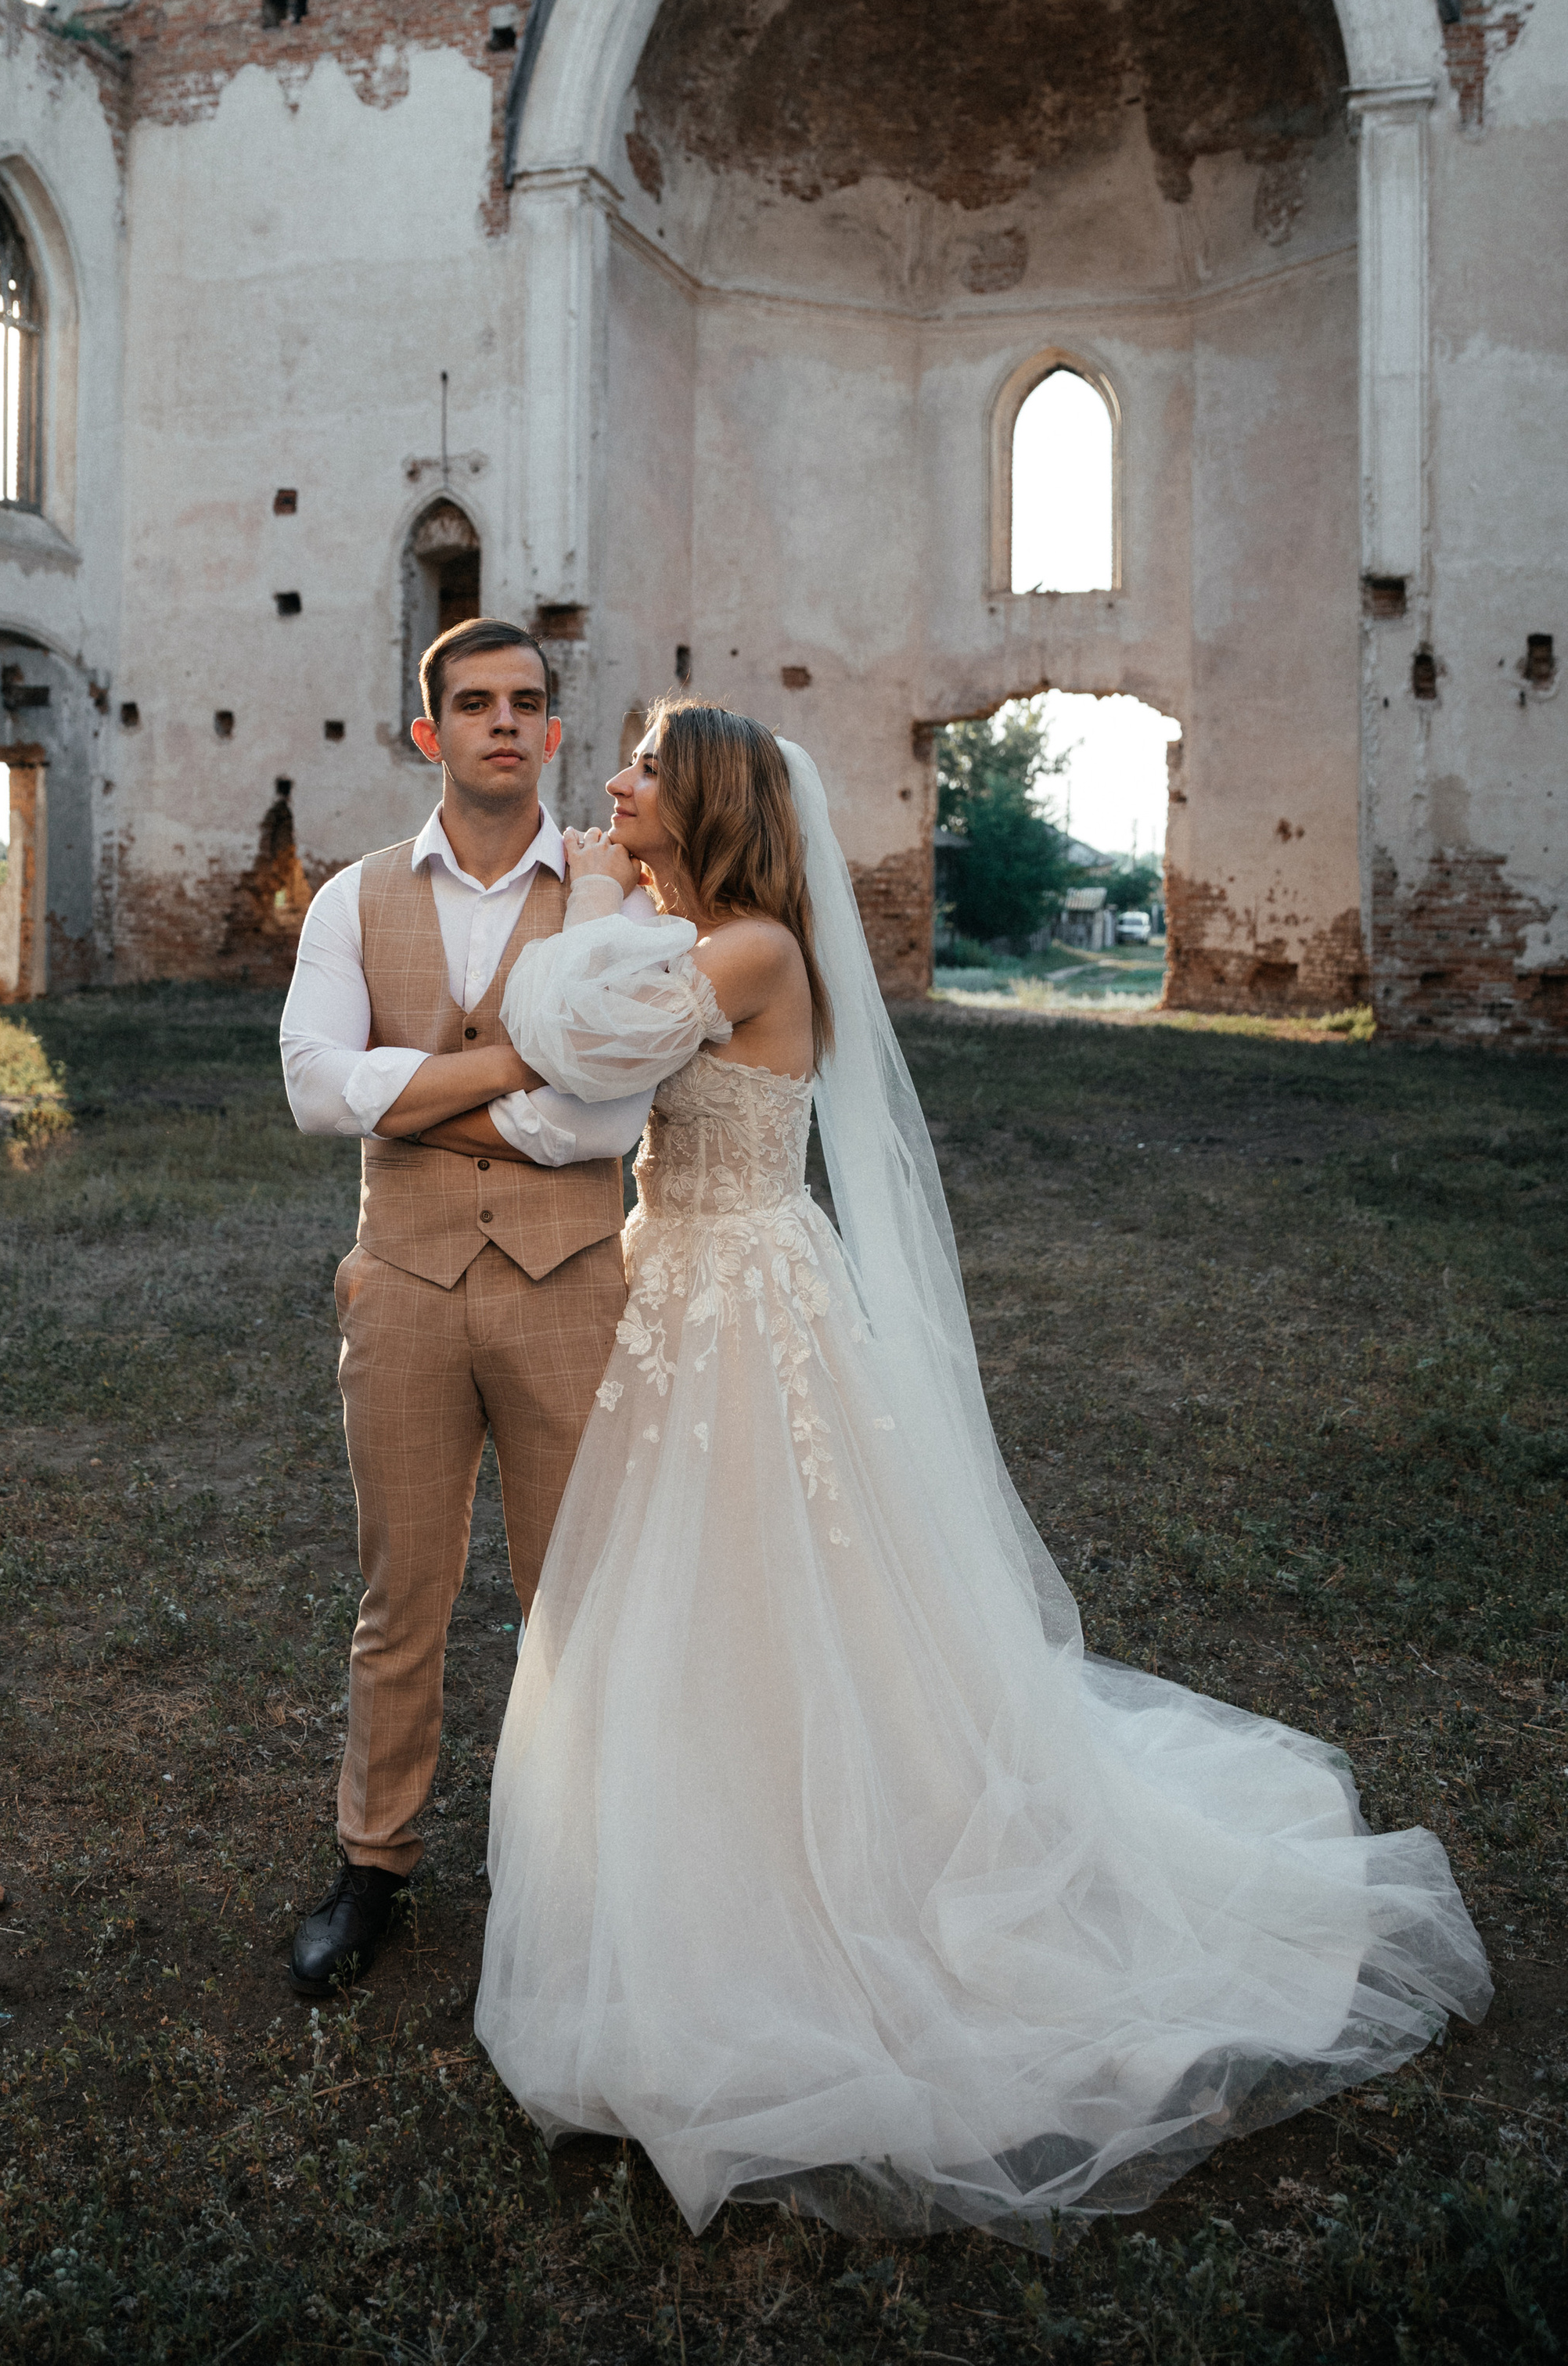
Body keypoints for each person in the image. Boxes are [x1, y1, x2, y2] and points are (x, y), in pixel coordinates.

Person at [470, 698, 1492, 2245]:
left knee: (762, 1575)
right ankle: (688, 1849)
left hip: (739, 1298)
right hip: (676, 1281)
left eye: (640, 768)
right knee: (696, 1592)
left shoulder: (749, 949)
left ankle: (819, 1887)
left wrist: (597, 896)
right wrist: (617, 894)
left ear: (706, 802)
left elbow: (567, 1032)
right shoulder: (707, 931)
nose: (609, 783)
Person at [278, 617, 657, 1994]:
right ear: (429, 732)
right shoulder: (353, 898)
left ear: (554, 735)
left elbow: (606, 1111)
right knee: (402, 1595)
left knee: (578, 1594)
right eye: (476, 704)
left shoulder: (617, 899)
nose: (506, 722)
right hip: (404, 1294)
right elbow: (316, 1088)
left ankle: (579, 1867)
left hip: (573, 1287)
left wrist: (423, 1088)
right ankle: (373, 1863)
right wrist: (512, 1067)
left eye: (530, 704)